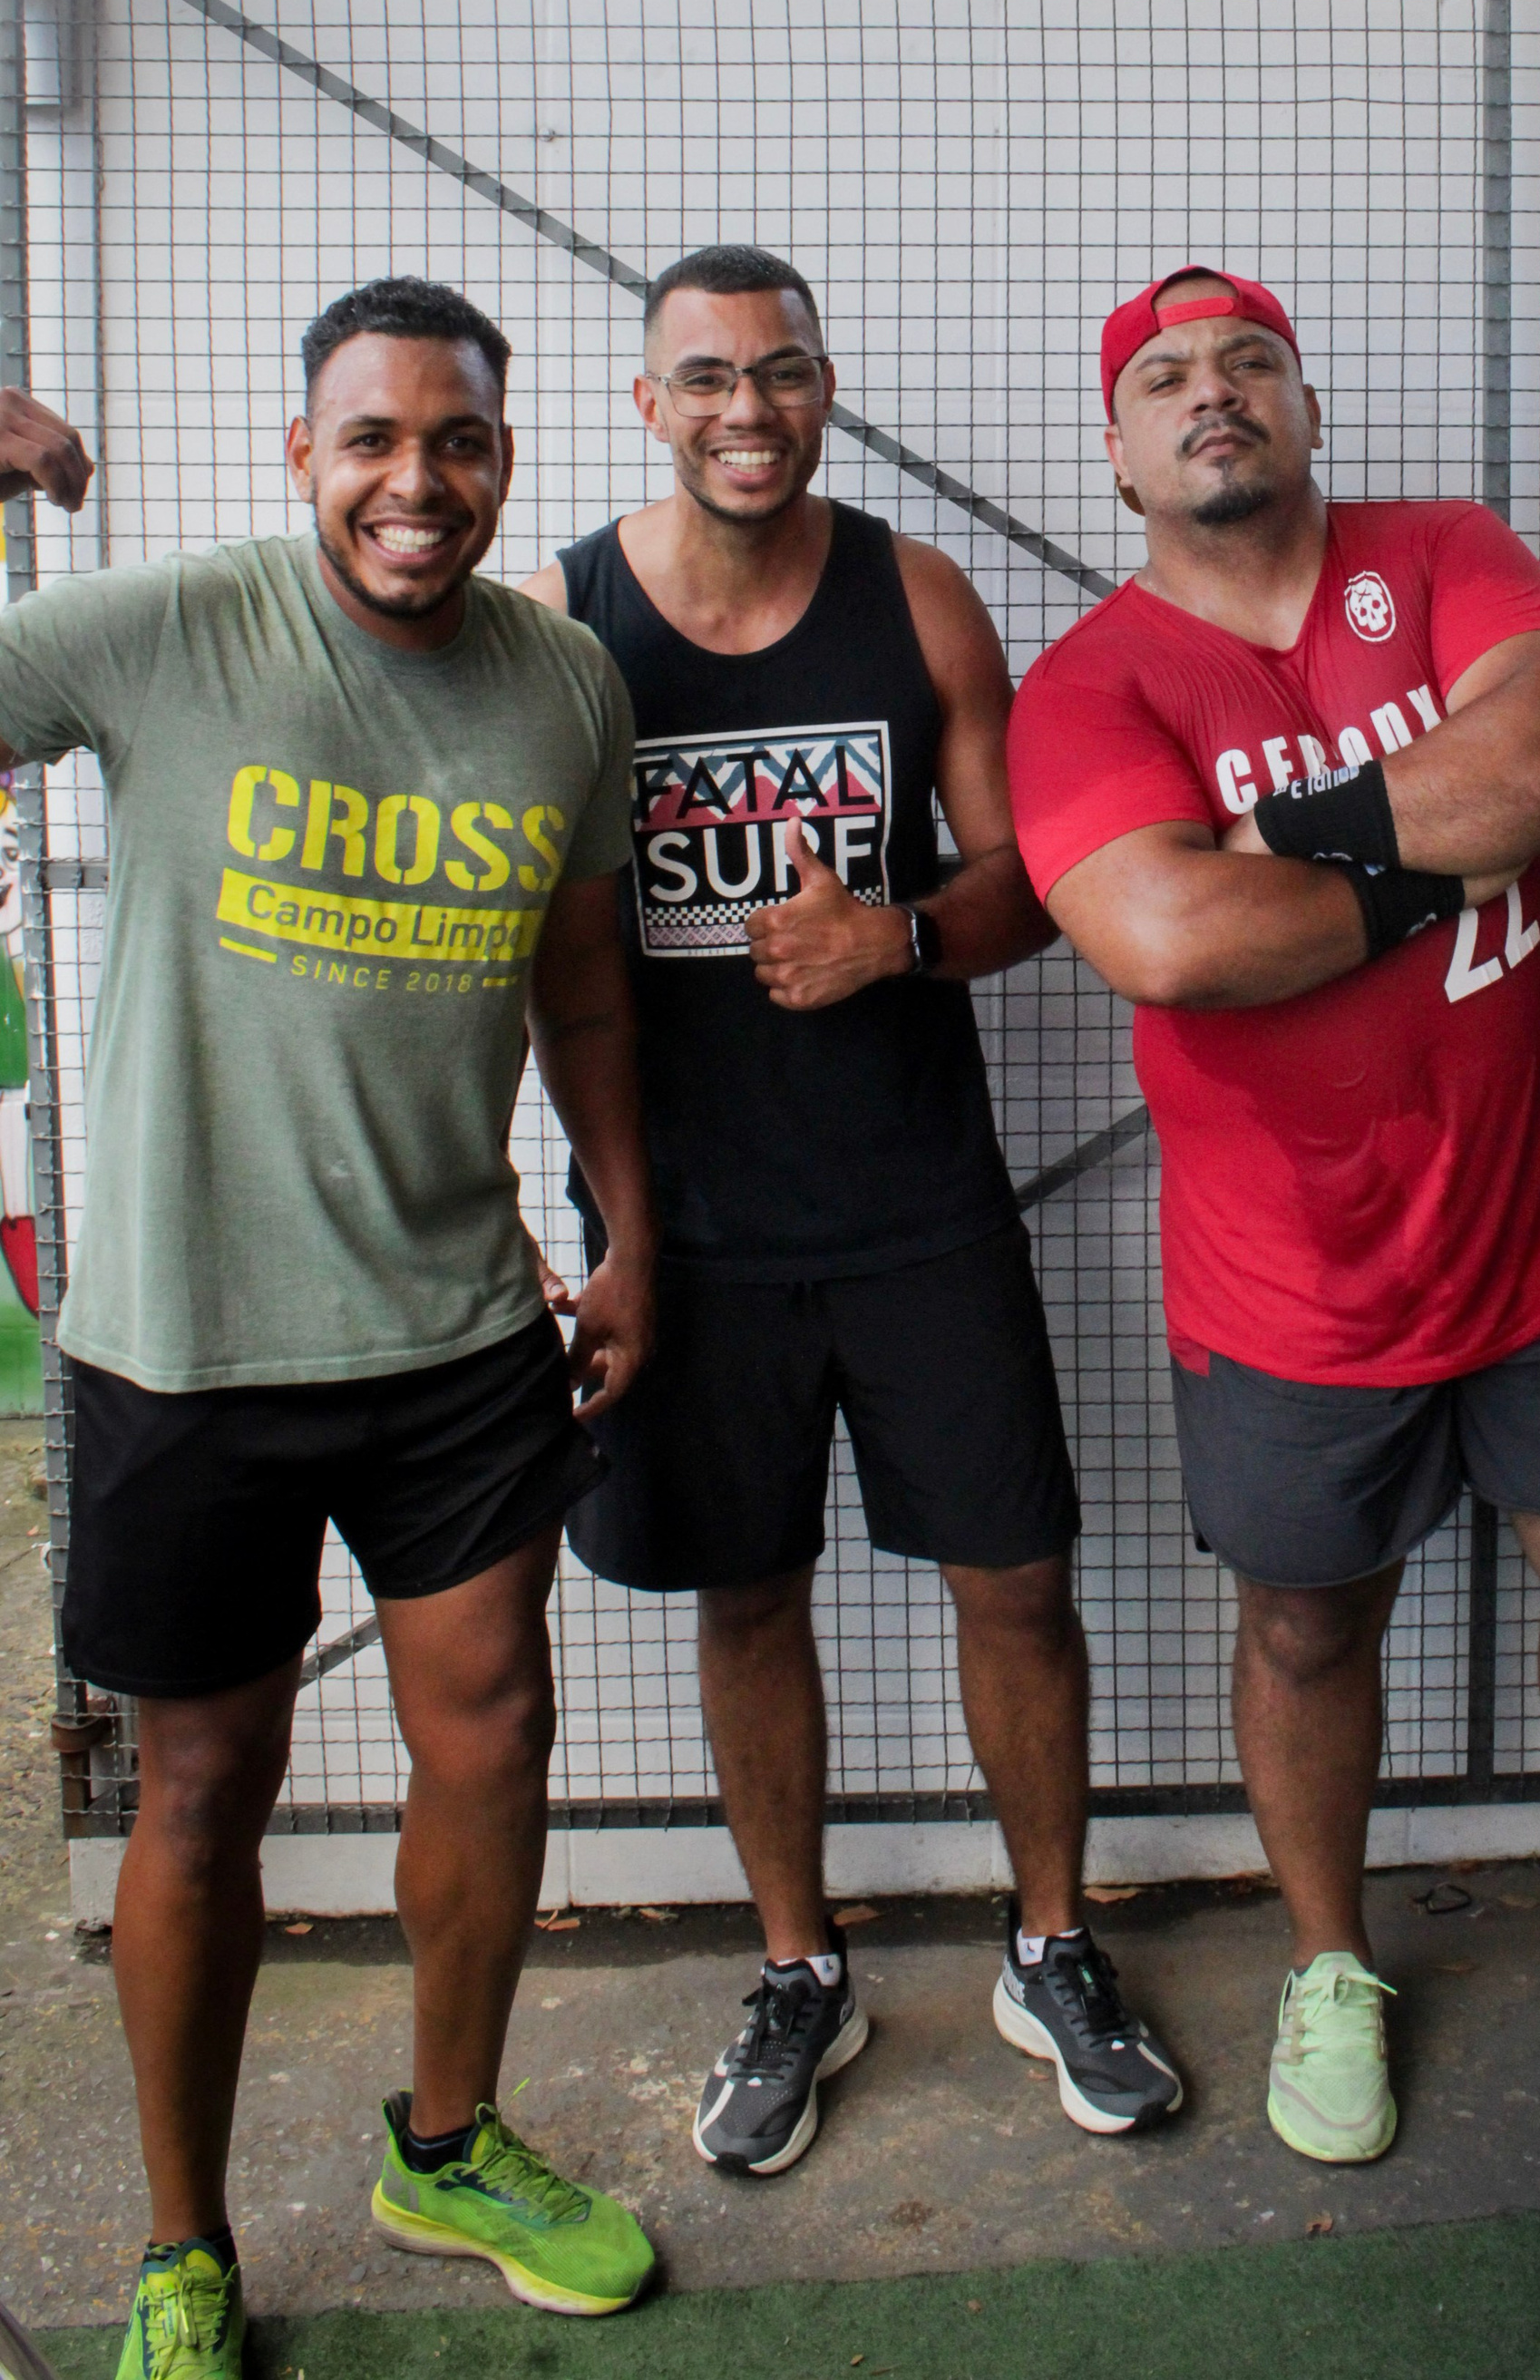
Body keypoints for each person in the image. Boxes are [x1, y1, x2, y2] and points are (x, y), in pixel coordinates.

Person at [1006, 264, 1540, 2167]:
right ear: (1117, 456)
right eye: (1164, 377)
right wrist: (1438, 845)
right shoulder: (1089, 680)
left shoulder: (1436, 553)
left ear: (1305, 406)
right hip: (1288, 1288)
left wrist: (1285, 837)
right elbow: (1167, 938)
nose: (1212, 392)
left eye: (1248, 361)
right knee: (1303, 1630)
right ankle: (1330, 1957)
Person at [2, 280, 662, 2379]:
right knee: (204, 1784)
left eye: (456, 441)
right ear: (303, 457)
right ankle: (183, 2247)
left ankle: (445, 2143)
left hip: (456, 1322)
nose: (416, 482)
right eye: (372, 439)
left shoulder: (561, 684)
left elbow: (578, 983)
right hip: (186, 1341)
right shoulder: (170, 628)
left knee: (497, 1724)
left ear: (503, 460)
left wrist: (626, 1219)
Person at [521, 244, 1183, 2176]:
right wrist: (616, 1231)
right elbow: (554, 959)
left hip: (914, 1200)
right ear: (647, 403)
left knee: (1016, 1579)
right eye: (707, 375)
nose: (749, 406)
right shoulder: (562, 626)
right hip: (689, 1226)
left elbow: (1027, 878)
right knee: (749, 1590)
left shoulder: (916, 596)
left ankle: (1049, 1940)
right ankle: (799, 1965)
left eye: (784, 371)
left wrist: (893, 932)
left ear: (824, 389)